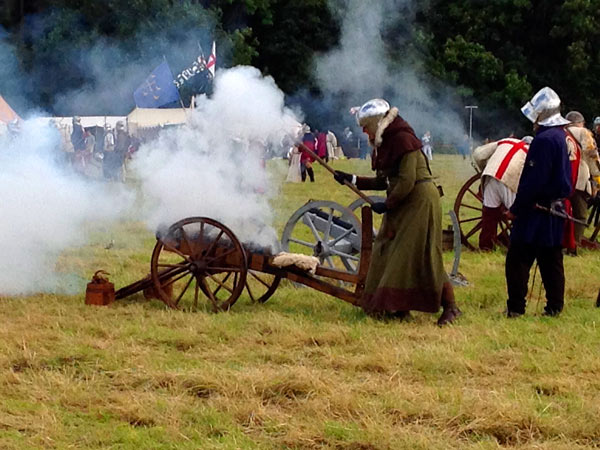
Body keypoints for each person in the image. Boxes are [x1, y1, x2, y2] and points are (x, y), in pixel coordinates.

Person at [333, 98, 461, 325]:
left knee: (422, 254)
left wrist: (388, 204)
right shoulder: (389, 141)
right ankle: (398, 306)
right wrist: (351, 179)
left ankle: (451, 307)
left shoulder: (403, 139)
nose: (363, 131)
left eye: (365, 126)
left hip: (420, 200)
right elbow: (384, 181)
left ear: (375, 123)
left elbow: (407, 180)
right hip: (405, 200)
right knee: (389, 250)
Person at [505, 87, 572, 318]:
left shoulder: (544, 140)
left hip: (537, 210)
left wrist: (516, 210)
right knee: (551, 259)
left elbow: (533, 182)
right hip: (553, 208)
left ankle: (516, 308)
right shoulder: (559, 136)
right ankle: (554, 307)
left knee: (518, 259)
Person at [472, 136, 531, 250]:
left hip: (491, 177)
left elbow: (478, 154)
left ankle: (486, 246)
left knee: (489, 214)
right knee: (518, 214)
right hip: (509, 181)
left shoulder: (505, 141)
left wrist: (483, 169)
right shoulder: (530, 151)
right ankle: (517, 245)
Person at [564, 111, 600, 251]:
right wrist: (597, 178)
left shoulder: (560, 132)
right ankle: (574, 244)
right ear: (580, 123)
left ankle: (559, 241)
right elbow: (592, 157)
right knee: (580, 214)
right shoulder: (583, 133)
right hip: (578, 179)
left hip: (561, 178)